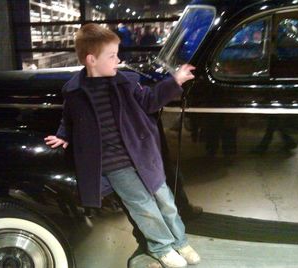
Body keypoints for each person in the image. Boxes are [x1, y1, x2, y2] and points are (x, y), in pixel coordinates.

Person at [45, 23, 200, 268]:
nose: (118, 60)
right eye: (112, 56)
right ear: (91, 60)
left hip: (142, 153)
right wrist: (63, 134)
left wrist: (175, 81)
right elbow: (69, 118)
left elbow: (150, 101)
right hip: (114, 163)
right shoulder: (74, 92)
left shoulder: (126, 81)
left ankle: (180, 242)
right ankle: (161, 247)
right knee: (143, 206)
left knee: (165, 200)